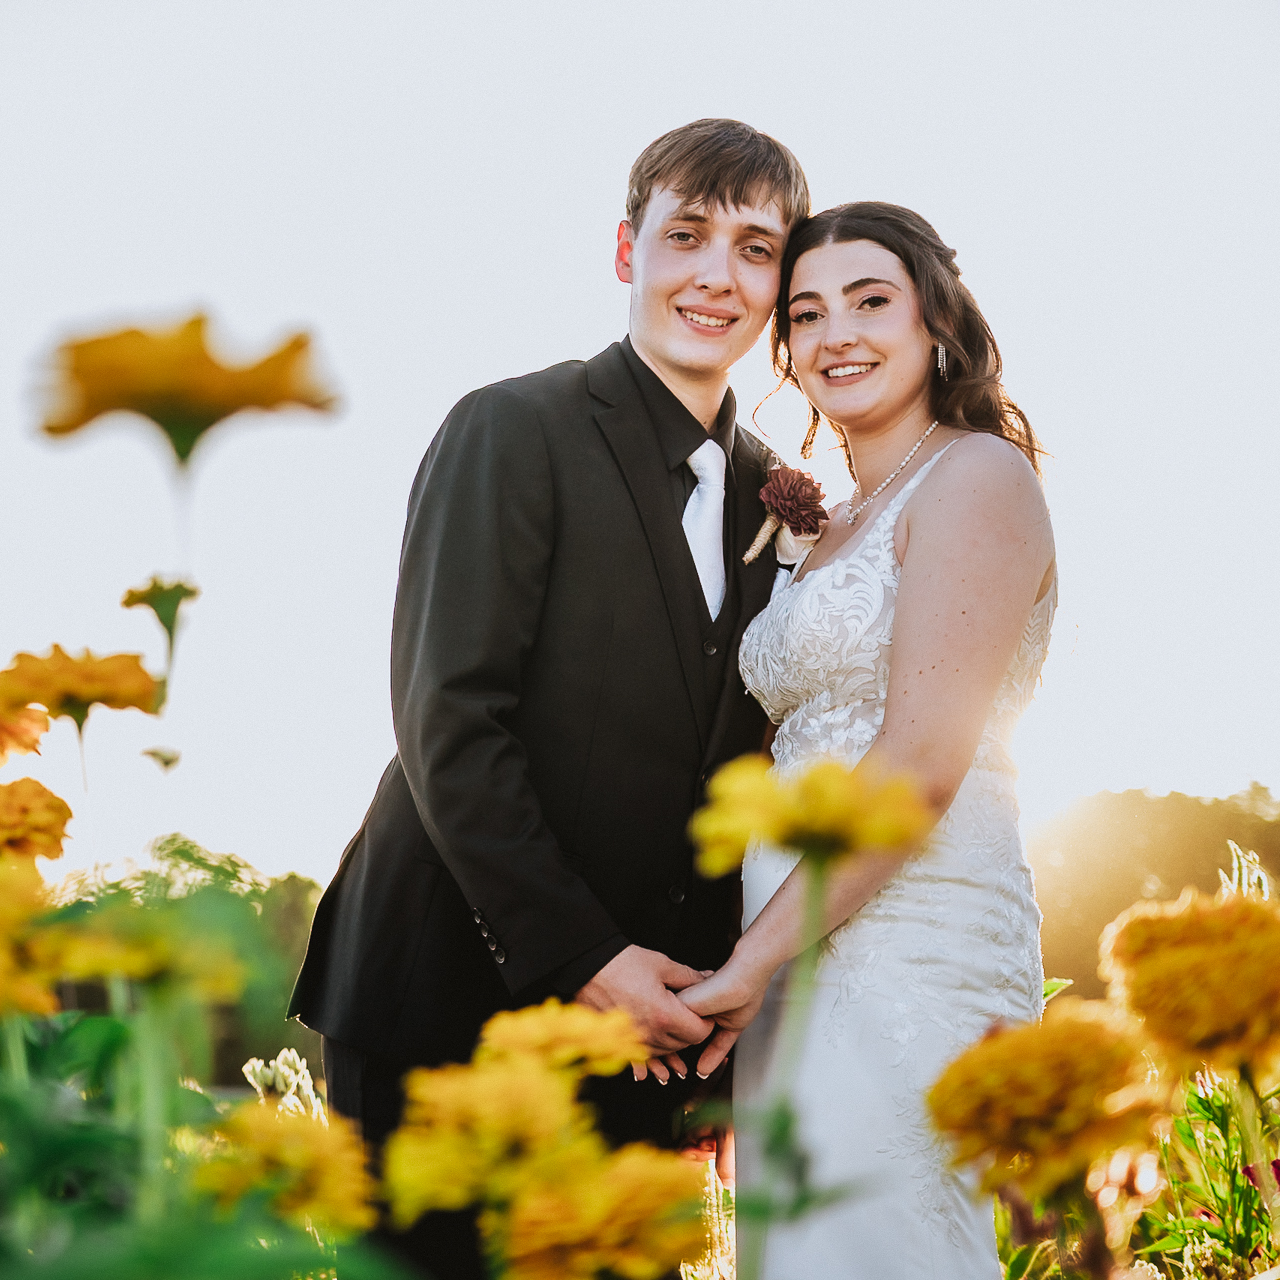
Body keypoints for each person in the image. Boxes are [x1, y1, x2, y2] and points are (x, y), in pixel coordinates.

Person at [288, 118, 809, 1279]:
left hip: (640, 1045)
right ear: (627, 250)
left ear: (783, 284)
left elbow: (731, 776)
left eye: (757, 248)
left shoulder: (774, 496)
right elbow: (447, 724)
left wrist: (704, 1024)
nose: (716, 275)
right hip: (445, 1007)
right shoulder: (510, 428)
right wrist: (586, 956)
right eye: (686, 234)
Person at [667, 201, 1056, 1276]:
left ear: (934, 317)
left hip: (910, 924)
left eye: (870, 300)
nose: (836, 332)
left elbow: (923, 761)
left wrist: (747, 962)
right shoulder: (827, 522)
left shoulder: (978, 476)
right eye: (807, 311)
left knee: (879, 1237)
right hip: (787, 926)